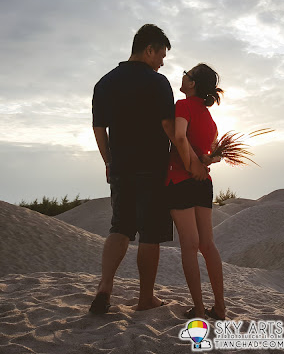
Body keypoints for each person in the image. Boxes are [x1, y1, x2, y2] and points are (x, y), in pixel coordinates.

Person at [89, 24, 208, 314]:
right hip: (153, 169)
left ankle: (105, 288)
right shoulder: (157, 83)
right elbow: (170, 128)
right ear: (149, 49)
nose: (162, 62)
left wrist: (108, 161)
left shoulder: (105, 82)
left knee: (119, 227)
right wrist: (192, 162)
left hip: (121, 167)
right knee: (150, 234)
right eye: (161, 55)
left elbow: (99, 128)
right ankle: (145, 298)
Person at [165, 63, 226, 320]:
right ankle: (220, 307)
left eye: (186, 74)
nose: (182, 76)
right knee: (207, 245)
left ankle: (199, 308)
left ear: (192, 84)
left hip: (181, 179)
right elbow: (209, 154)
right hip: (204, 183)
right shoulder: (210, 118)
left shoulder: (183, 105)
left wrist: (190, 167)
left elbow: (179, 137)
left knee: (189, 247)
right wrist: (202, 163)